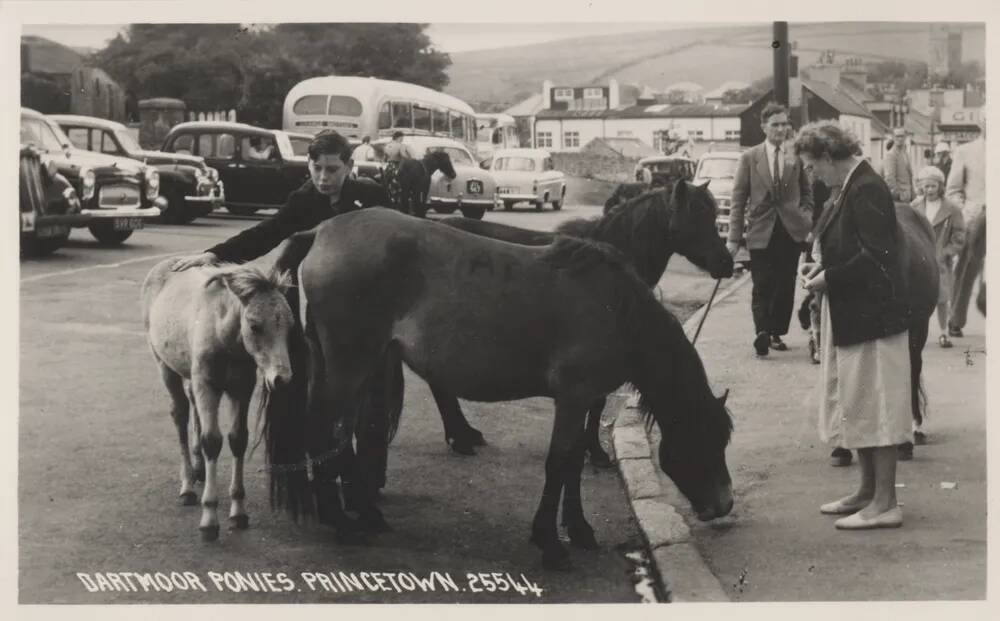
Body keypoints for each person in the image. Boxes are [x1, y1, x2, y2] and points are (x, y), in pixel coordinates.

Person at [795, 121, 912, 530]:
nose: (812, 175)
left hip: (874, 318)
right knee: (859, 404)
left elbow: (876, 257)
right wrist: (821, 265)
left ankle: (886, 504)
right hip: (855, 315)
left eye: (812, 166)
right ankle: (866, 493)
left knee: (877, 406)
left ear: (829, 156)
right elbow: (848, 247)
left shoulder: (866, 187)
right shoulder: (850, 186)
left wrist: (830, 277)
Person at [172, 130, 390, 270]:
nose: (323, 178)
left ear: (349, 167)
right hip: (327, 278)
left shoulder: (371, 194)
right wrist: (214, 255)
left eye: (332, 170)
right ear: (308, 164)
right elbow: (266, 233)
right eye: (317, 168)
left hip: (369, 274)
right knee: (287, 258)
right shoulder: (303, 200)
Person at [727, 103, 814, 357]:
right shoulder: (750, 157)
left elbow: (807, 192)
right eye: (775, 124)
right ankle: (761, 333)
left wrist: (805, 218)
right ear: (764, 127)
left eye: (784, 124)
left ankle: (776, 332)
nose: (780, 129)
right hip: (760, 230)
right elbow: (738, 199)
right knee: (762, 282)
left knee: (785, 284)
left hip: (790, 230)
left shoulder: (794, 156)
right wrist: (733, 238)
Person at [911, 165, 965, 350]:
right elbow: (908, 230)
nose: (929, 190)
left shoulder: (952, 209)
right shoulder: (915, 206)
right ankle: (918, 332)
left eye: (933, 186)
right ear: (921, 187)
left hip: (941, 261)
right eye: (925, 186)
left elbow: (959, 235)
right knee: (919, 298)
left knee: (942, 299)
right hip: (920, 259)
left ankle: (943, 333)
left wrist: (947, 252)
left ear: (940, 186)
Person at [945, 116, 986, 338]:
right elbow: (953, 189)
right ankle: (955, 319)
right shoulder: (966, 151)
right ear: (982, 123)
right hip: (976, 216)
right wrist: (965, 211)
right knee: (968, 266)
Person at [382, 131, 415, 207]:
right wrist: (410, 159)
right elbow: (403, 155)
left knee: (388, 184)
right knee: (401, 185)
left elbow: (385, 158)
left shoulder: (387, 145)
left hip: (389, 167)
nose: (402, 139)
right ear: (399, 137)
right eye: (402, 138)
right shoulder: (401, 146)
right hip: (398, 167)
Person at [882, 127, 914, 202]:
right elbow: (889, 178)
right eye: (897, 136)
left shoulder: (905, 153)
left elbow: (909, 176)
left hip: (908, 197)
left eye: (902, 136)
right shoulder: (891, 155)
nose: (900, 139)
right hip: (899, 199)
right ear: (893, 137)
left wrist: (912, 193)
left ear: (905, 136)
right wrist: (898, 196)